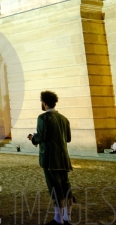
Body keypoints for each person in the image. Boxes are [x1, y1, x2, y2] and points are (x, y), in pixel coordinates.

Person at [27, 91, 74, 225]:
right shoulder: (64, 119)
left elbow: (41, 137)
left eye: (42, 102)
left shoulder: (43, 118)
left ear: (45, 103)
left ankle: (58, 219)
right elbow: (68, 138)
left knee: (54, 187)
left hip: (49, 159)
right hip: (64, 158)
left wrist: (33, 138)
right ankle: (67, 218)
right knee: (66, 187)